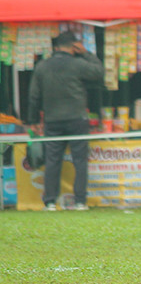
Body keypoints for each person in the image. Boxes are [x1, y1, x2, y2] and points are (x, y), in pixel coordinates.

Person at [27, 30, 103, 211]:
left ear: (55, 47)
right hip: (77, 118)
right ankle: (80, 202)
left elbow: (33, 96)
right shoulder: (78, 64)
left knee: (52, 160)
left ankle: (51, 202)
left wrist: (33, 119)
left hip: (53, 120)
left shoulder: (42, 66)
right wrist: (86, 53)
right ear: (74, 47)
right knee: (80, 160)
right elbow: (99, 73)